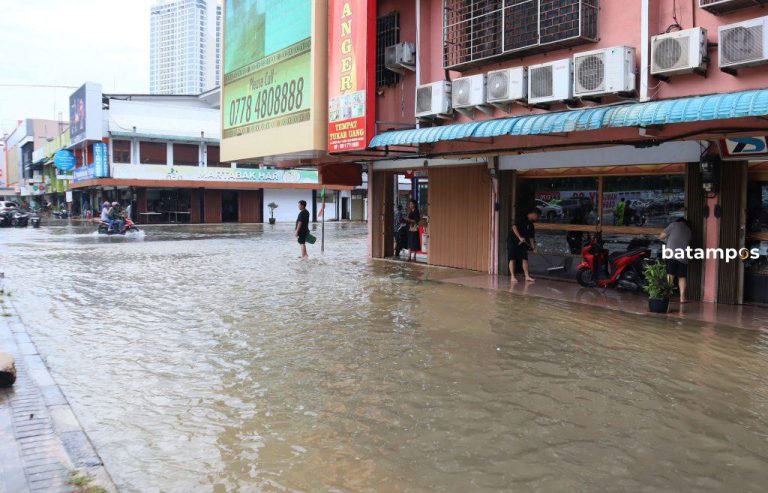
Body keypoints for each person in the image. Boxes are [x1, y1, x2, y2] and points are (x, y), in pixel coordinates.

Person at [660, 217, 692, 304]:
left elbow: (661, 236)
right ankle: (682, 297)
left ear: (678, 221)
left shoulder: (673, 225)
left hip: (671, 254)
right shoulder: (689, 230)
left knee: (670, 274)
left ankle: (667, 295)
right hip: (683, 256)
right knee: (682, 276)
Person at [508, 208, 541, 283]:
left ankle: (527, 276)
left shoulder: (531, 225)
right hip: (513, 241)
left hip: (523, 242)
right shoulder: (522, 218)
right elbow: (514, 227)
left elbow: (531, 237)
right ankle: (512, 276)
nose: (537, 218)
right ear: (534, 214)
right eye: (537, 216)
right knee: (512, 258)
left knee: (524, 258)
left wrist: (533, 247)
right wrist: (519, 237)